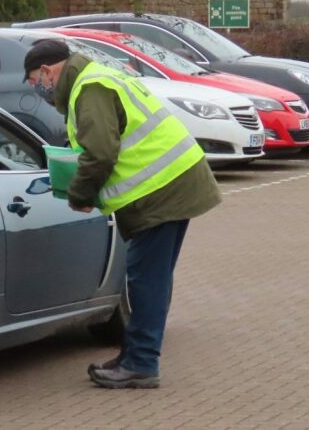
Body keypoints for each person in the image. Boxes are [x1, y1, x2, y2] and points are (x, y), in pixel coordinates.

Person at [23, 39, 222, 389]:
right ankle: (134, 355)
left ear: (46, 71)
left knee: (145, 279)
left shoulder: (89, 88)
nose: (36, 89)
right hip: (174, 180)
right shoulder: (97, 77)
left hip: (161, 190)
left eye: (33, 81)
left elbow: (100, 153)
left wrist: (80, 194)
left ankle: (142, 363)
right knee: (152, 277)